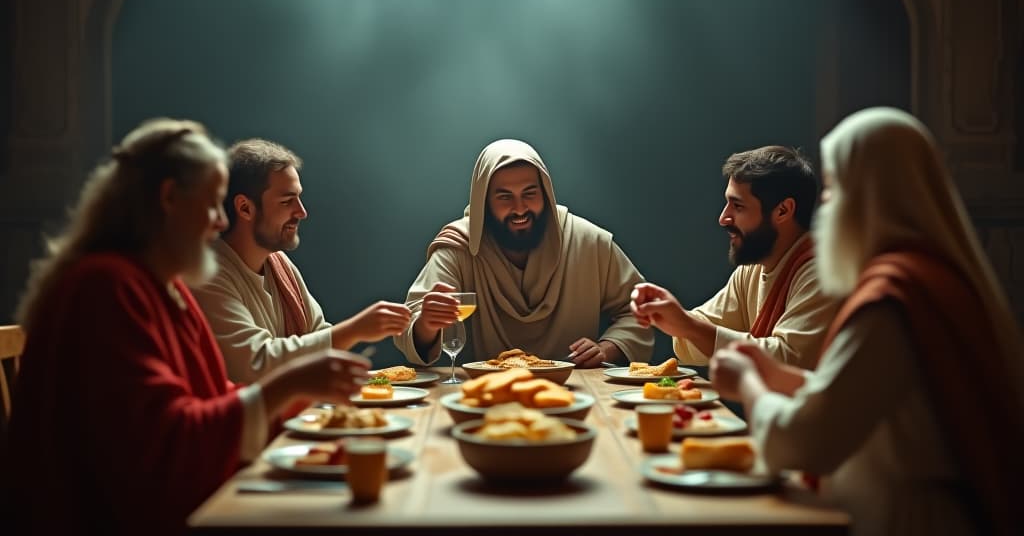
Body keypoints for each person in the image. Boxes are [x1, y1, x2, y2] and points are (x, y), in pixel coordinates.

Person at [6, 120, 371, 536]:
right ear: (169, 199)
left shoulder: (163, 284)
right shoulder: (103, 288)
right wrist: (283, 389)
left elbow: (212, 395)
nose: (220, 223)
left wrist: (292, 397)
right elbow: (161, 447)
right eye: (213, 205)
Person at [710, 108, 1024, 536]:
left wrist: (748, 381)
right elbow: (864, 398)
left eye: (835, 190)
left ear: (870, 195)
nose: (824, 207)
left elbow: (807, 441)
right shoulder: (932, 278)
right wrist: (776, 374)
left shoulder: (891, 300)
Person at [393, 138, 653, 368]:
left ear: (546, 194)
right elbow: (410, 324)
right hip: (485, 395)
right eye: (504, 197)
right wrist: (427, 324)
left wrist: (606, 349)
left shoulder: (588, 242)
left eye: (530, 193)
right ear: (483, 202)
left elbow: (640, 311)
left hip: (577, 389)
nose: (519, 209)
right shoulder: (459, 247)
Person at [191, 139, 410, 383]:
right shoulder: (208, 274)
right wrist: (354, 330)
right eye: (287, 201)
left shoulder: (280, 264)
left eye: (299, 198)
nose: (302, 212)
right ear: (245, 208)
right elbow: (254, 364)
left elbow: (318, 335)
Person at [631, 146, 836, 369]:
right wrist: (673, 316)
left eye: (738, 206)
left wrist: (688, 325)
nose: (723, 218)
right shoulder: (753, 268)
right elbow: (702, 333)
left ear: (783, 211)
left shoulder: (823, 271)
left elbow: (789, 359)